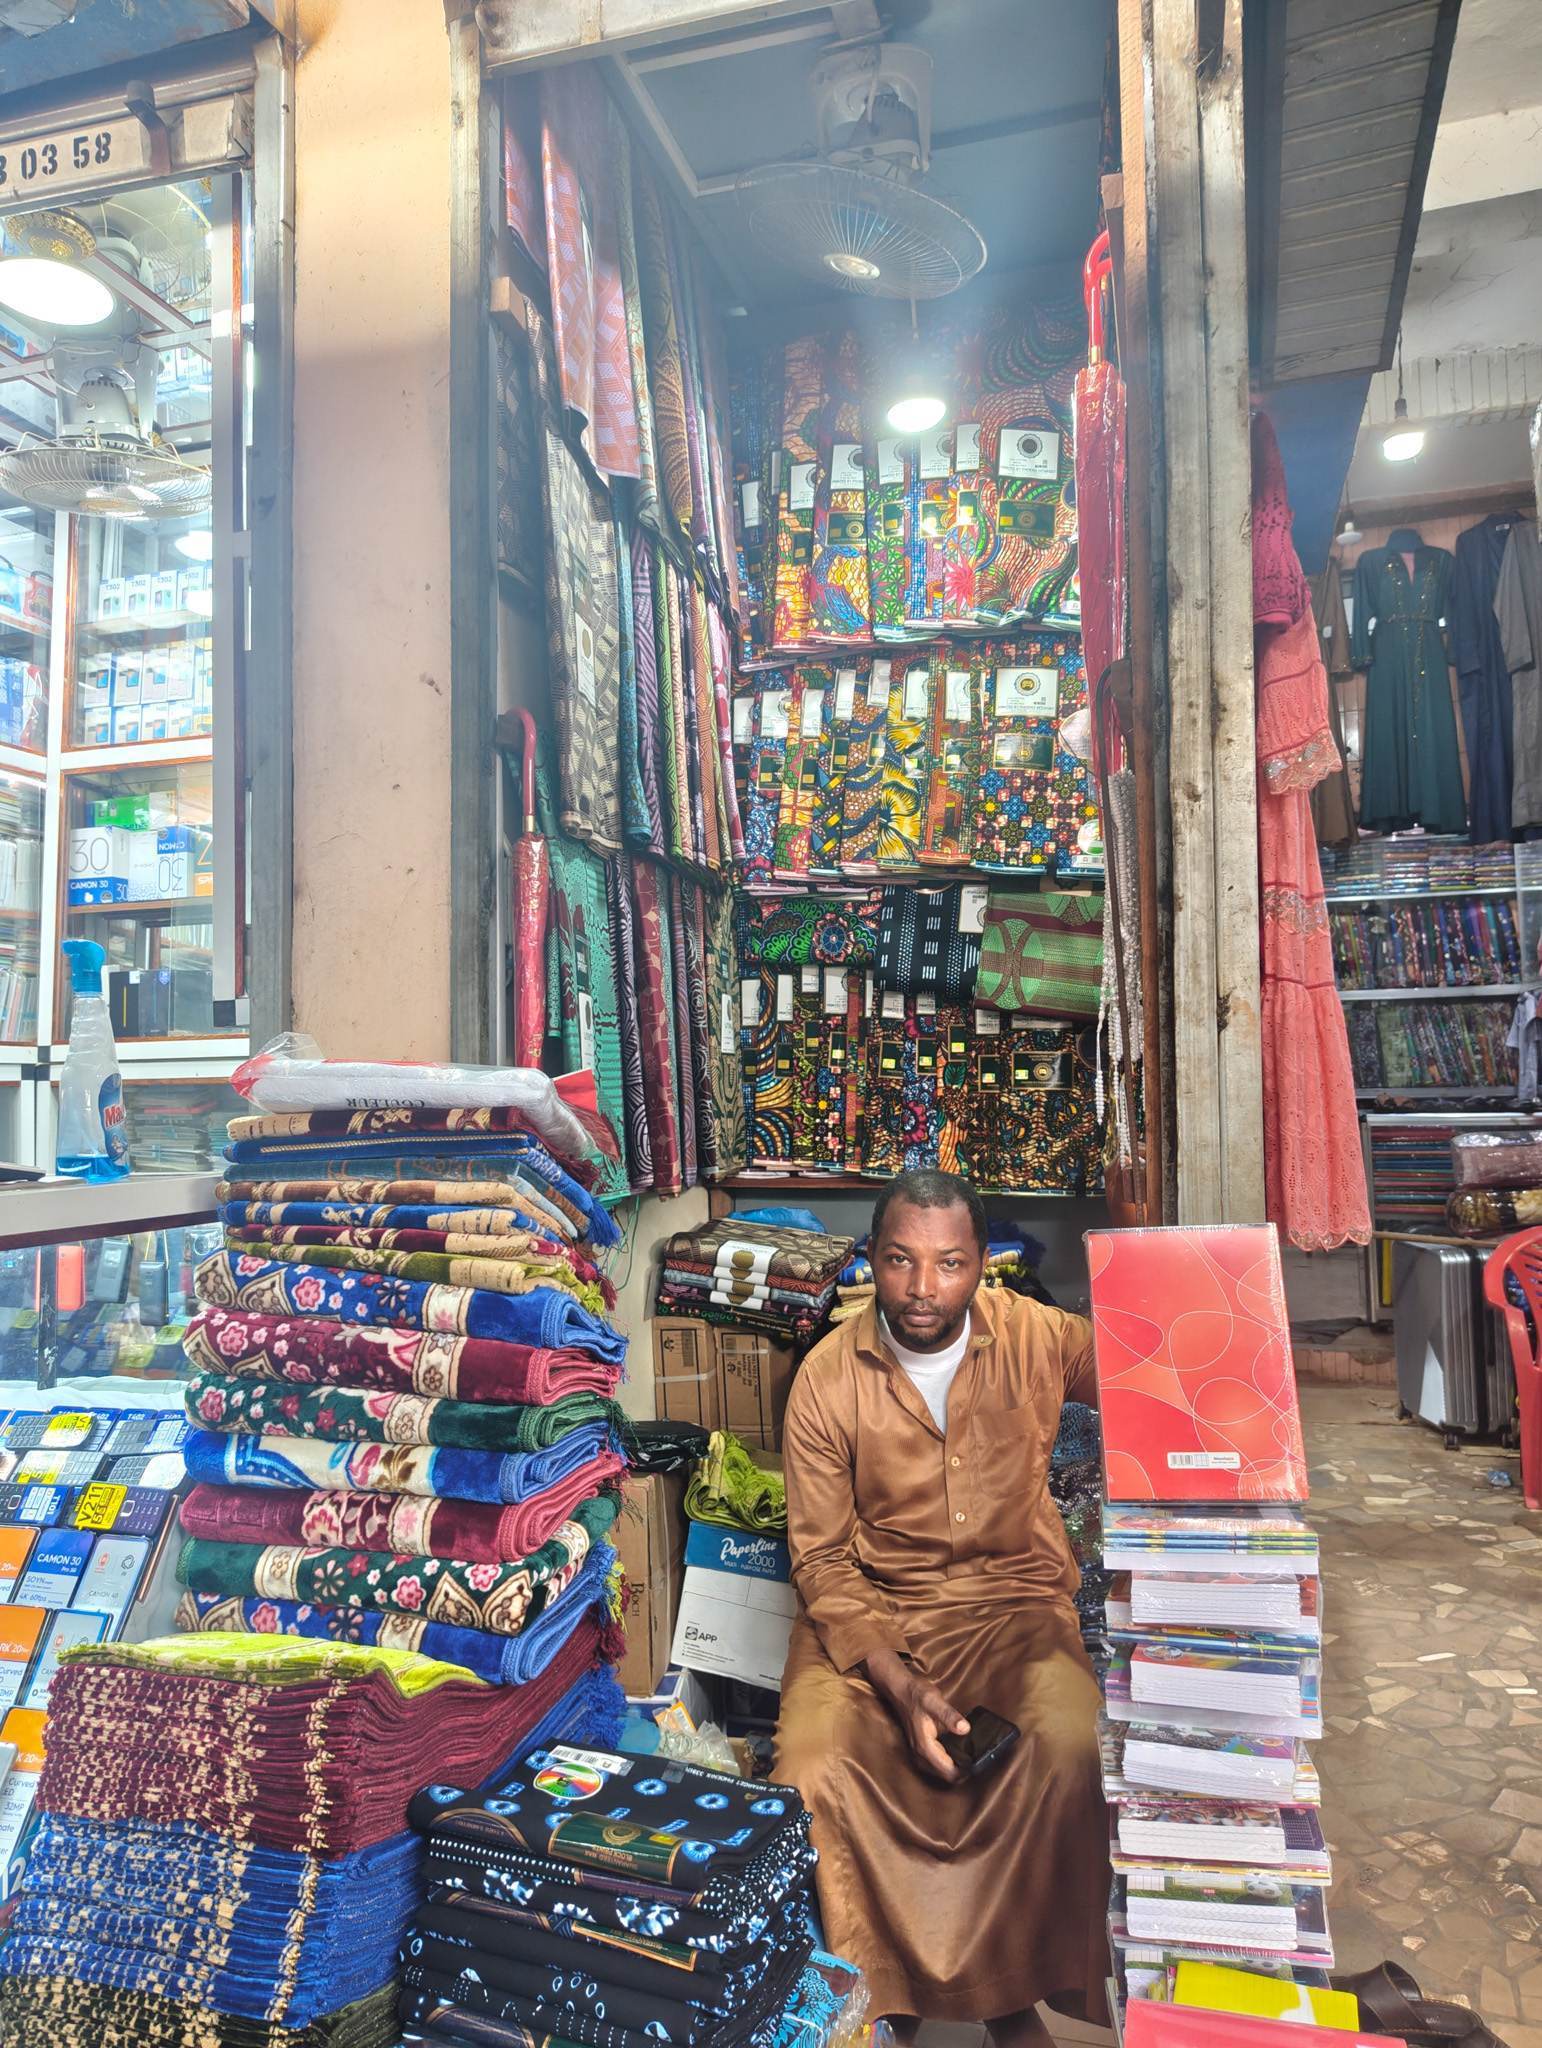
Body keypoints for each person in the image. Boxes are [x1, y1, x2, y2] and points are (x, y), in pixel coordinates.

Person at [773, 1168, 1109, 2042]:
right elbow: (821, 1560)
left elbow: (1144, 1359)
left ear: (983, 1265)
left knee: (1068, 1745)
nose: (924, 1290)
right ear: (872, 1261)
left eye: (950, 1263)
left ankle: (1009, 1990)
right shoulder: (825, 1380)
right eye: (900, 1261)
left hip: (1015, 1608)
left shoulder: (1038, 1336)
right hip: (876, 1614)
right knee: (814, 1768)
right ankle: (882, 1997)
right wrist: (900, 1684)